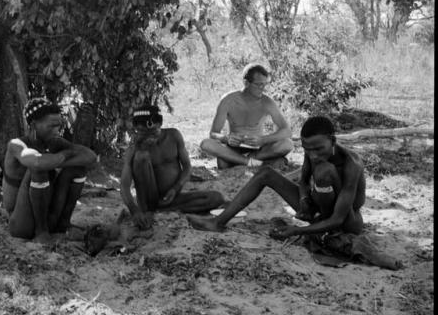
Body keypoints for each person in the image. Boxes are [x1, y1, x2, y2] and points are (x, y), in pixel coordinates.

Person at [187, 116, 366, 238]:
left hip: (346, 220)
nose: (312, 156)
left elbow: (338, 218)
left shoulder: (352, 164)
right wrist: (304, 198)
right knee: (266, 173)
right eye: (307, 149)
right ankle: (218, 222)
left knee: (324, 171)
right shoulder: (313, 152)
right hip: (317, 208)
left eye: (318, 149)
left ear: (333, 141)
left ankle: (320, 228)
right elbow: (304, 181)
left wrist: (296, 231)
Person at [2, 98, 97, 243]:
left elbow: (90, 157)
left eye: (59, 126)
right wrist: (63, 156)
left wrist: (57, 160)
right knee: (39, 169)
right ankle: (41, 231)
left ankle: (63, 224)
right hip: (21, 224)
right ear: (34, 125)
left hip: (47, 214)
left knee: (77, 169)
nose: (57, 131)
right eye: (52, 126)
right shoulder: (16, 145)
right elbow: (38, 162)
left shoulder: (54, 142)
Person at [120, 104, 225, 230]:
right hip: (148, 201)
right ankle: (150, 210)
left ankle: (163, 209)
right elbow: (124, 186)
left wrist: (176, 188)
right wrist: (134, 211)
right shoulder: (134, 148)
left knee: (216, 198)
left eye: (151, 131)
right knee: (141, 156)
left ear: (159, 123)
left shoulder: (174, 136)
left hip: (172, 197)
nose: (147, 136)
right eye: (142, 132)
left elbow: (187, 167)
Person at [199, 63, 294, 169]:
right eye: (258, 85)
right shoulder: (228, 100)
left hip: (258, 149)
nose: (262, 88)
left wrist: (263, 140)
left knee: (287, 144)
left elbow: (286, 131)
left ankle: (243, 160)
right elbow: (213, 133)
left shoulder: (267, 102)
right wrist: (226, 138)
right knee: (206, 144)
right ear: (246, 83)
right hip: (234, 148)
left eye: (264, 84)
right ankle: (255, 162)